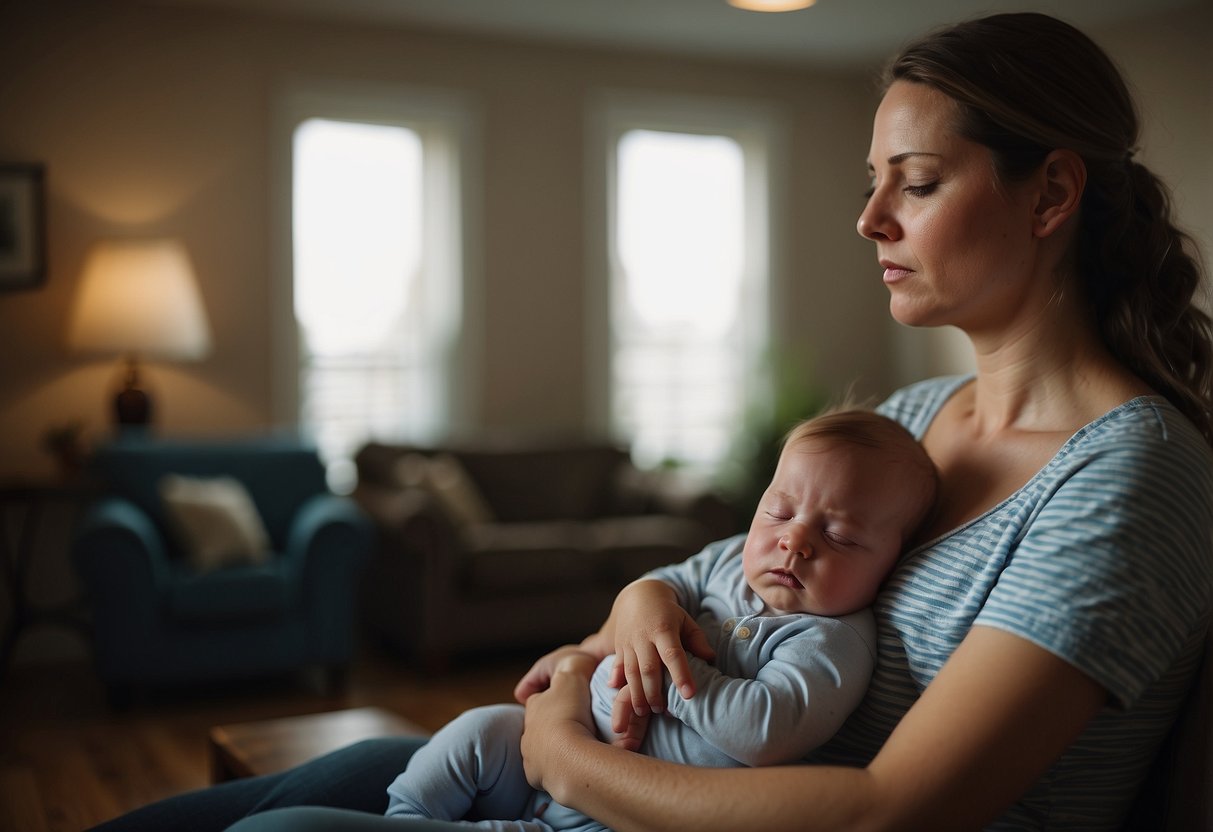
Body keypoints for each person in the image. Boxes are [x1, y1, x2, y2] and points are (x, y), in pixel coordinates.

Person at [90, 12, 1213, 832]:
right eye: (873, 180)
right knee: (232, 805)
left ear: (1050, 196)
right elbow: (718, 578)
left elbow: (889, 812)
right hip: (660, 778)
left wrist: (565, 757)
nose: (867, 217)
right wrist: (635, 600)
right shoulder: (913, 421)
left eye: (913, 183)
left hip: (711, 808)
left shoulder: (1128, 475)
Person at [381, 410, 938, 830]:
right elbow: (662, 584)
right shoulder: (727, 558)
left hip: (626, 813)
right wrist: (636, 609)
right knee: (482, 731)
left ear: (892, 560)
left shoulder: (831, 640)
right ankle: (404, 816)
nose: (795, 539)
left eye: (839, 535)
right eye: (780, 511)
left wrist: (664, 674)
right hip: (561, 740)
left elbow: (767, 728)